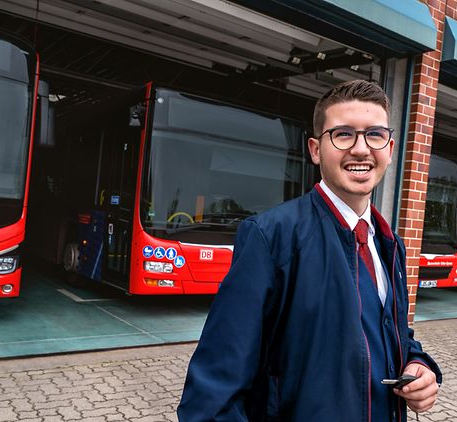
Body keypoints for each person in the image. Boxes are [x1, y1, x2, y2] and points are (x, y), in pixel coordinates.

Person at [178, 80, 441, 421]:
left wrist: (418, 365)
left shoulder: (389, 244)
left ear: (389, 149)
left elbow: (393, 334)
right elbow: (211, 396)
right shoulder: (270, 237)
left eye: (374, 134)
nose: (361, 149)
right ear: (316, 149)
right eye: (343, 134)